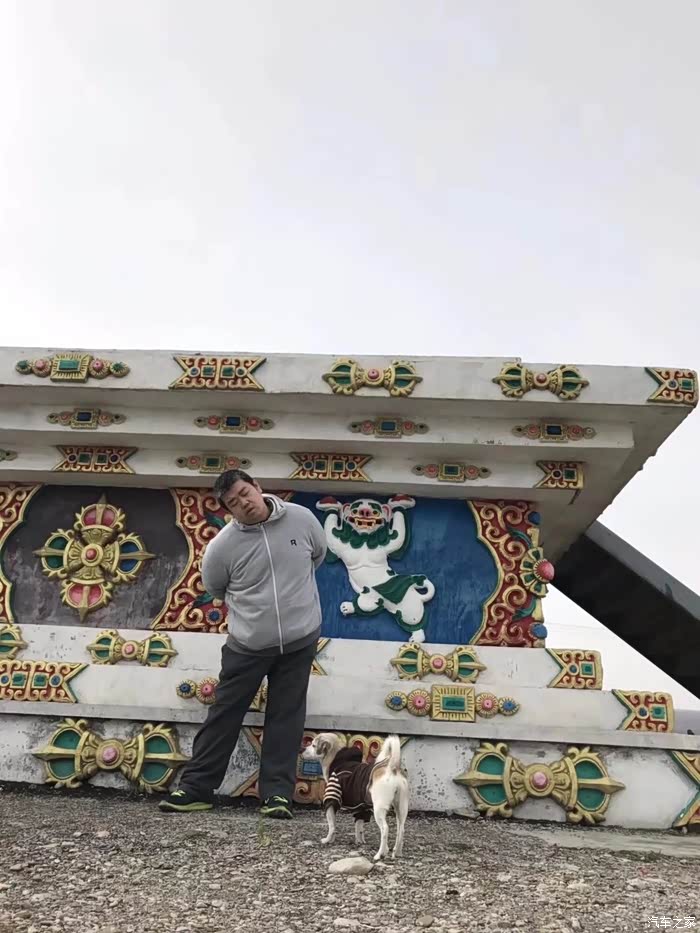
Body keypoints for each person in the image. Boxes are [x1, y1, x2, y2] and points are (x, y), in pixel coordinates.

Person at [159, 468, 327, 819]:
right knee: (224, 714)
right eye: (234, 502)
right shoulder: (223, 547)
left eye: (245, 493)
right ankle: (196, 788)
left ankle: (277, 795)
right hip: (247, 646)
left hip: (299, 640)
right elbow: (215, 588)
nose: (244, 503)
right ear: (228, 510)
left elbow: (317, 556)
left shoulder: (302, 519)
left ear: (257, 486)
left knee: (286, 716)